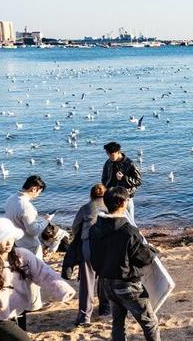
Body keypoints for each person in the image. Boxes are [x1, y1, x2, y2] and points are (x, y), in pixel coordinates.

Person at [0, 218, 76, 341]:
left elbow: (43, 272)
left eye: (10, 237)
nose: (8, 243)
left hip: (19, 309)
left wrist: (62, 289)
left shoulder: (22, 255)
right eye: (3, 239)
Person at [89, 186, 160, 341]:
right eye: (127, 200)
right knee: (150, 323)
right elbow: (144, 257)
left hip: (106, 283)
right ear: (122, 203)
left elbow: (93, 257)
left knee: (118, 322)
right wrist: (152, 250)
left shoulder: (95, 228)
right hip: (127, 286)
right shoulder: (128, 231)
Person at [3, 175, 49, 312]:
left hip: (15, 242)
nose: (38, 195)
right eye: (39, 192)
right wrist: (45, 221)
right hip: (29, 245)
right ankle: (33, 305)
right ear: (34, 189)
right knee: (34, 276)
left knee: (21, 276)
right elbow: (33, 231)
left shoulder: (10, 200)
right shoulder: (26, 206)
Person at [70, 183, 110, 326]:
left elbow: (75, 227)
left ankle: (84, 316)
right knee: (104, 277)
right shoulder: (110, 207)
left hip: (88, 244)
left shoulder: (85, 208)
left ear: (91, 195)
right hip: (105, 245)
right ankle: (105, 308)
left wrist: (79, 238)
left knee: (87, 281)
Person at [101, 142, 142, 222]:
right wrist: (106, 190)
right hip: (111, 197)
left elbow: (138, 181)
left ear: (118, 152)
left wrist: (123, 178)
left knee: (130, 222)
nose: (109, 156)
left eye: (111, 154)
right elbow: (104, 178)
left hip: (125, 197)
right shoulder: (108, 163)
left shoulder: (130, 164)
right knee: (113, 222)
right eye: (108, 154)